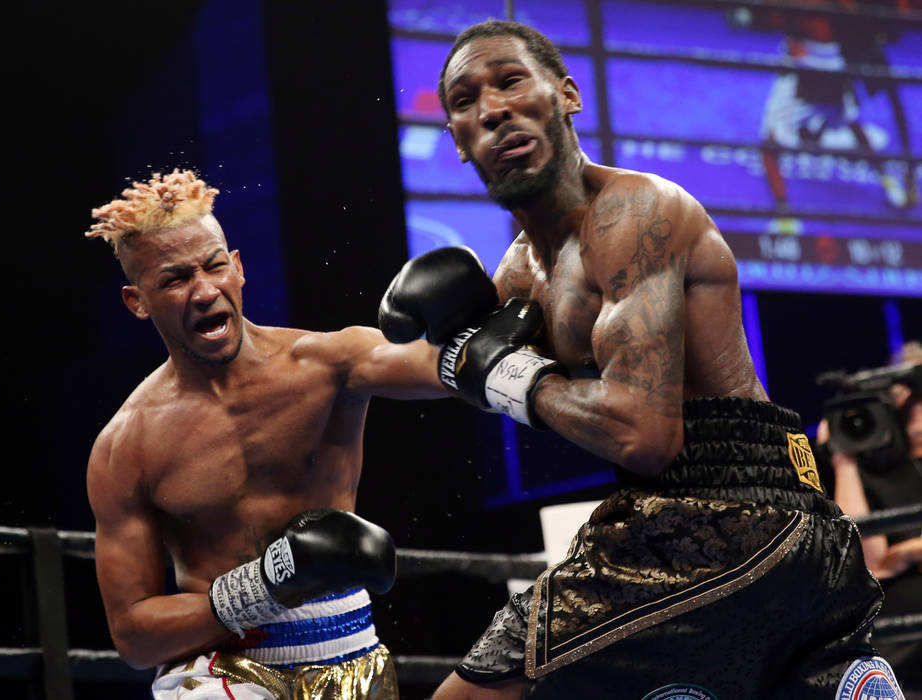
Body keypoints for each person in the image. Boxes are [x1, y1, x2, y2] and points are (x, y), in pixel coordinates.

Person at [378, 20, 901, 699]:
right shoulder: (519, 275)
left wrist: (504, 374)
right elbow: (437, 368)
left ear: (566, 95)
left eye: (510, 81)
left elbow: (643, 436)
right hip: (775, 527)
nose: (494, 108)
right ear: (457, 140)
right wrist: (273, 350)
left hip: (719, 516)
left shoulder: (635, 214)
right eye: (466, 100)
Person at [84, 169, 444, 699]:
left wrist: (484, 315)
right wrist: (262, 588)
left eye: (213, 266)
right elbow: (134, 636)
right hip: (221, 668)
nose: (204, 292)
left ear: (238, 268)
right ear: (138, 301)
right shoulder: (126, 447)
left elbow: (454, 371)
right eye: (175, 279)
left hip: (352, 656)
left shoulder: (329, 363)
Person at [820, 341, 922, 698]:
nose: (917, 412)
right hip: (901, 659)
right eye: (910, 400)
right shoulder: (875, 474)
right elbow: (867, 564)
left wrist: (904, 553)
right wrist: (844, 460)